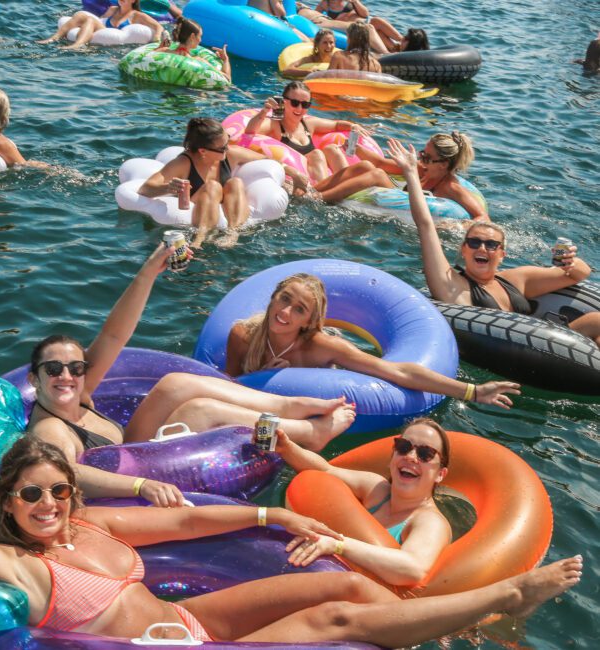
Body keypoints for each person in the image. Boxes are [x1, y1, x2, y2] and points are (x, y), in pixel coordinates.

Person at [0, 435, 584, 646]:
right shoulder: (17, 565)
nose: (47, 505)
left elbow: (186, 522)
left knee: (347, 583)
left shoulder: (90, 524)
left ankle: (453, 631)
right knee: (336, 618)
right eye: (31, 494)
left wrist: (270, 519)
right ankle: (505, 597)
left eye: (57, 491)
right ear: (8, 500)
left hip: (185, 619)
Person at [27, 243, 358, 504]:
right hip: (139, 473)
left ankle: (291, 407)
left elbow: (114, 335)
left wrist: (147, 273)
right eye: (54, 369)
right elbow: (63, 475)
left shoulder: (78, 393)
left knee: (175, 384)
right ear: (34, 379)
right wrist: (141, 487)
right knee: (201, 410)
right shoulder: (51, 428)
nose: (67, 375)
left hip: (132, 448)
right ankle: (307, 432)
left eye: (76, 367)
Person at [225, 272, 522, 438]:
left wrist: (472, 391)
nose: (285, 312)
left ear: (309, 321)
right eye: (284, 299)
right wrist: (262, 375)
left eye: (299, 309)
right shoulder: (243, 335)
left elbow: (397, 372)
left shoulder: (321, 346)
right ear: (274, 296)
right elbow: (225, 385)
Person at [385, 138, 600, 346]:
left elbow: (580, 273)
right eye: (474, 242)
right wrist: (411, 173)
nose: (482, 248)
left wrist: (571, 262)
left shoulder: (515, 279)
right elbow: (425, 225)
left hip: (556, 348)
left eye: (491, 245)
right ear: (463, 250)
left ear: (502, 254)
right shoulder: (454, 286)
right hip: (517, 350)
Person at [280, 418, 452, 585]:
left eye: (425, 454)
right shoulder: (376, 489)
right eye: (403, 447)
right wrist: (285, 447)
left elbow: (413, 569)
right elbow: (325, 470)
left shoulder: (430, 522)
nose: (411, 457)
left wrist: (338, 545)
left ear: (440, 474)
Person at [138, 118, 307, 247]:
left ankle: (232, 234)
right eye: (223, 147)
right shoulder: (183, 163)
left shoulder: (230, 155)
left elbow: (267, 159)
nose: (228, 148)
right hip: (200, 208)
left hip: (228, 209)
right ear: (203, 151)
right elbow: (146, 188)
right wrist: (168, 188)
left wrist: (295, 174)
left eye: (227, 142)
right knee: (213, 186)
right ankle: (199, 240)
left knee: (235, 182)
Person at [245, 80, 395, 197]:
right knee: (322, 155)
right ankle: (328, 193)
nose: (299, 109)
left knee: (335, 150)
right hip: (304, 184)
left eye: (305, 104)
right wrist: (264, 111)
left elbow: (336, 125)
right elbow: (250, 131)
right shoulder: (274, 125)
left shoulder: (309, 124)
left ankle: (349, 189)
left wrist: (352, 126)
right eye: (295, 103)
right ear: (284, 101)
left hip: (324, 181)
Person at [358, 131, 488, 220]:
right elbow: (380, 163)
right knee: (365, 166)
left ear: (443, 164)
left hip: (411, 218)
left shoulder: (451, 187)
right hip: (395, 196)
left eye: (426, 157)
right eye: (422, 154)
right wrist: (357, 148)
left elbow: (483, 217)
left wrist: (458, 226)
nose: (421, 160)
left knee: (377, 175)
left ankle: (336, 199)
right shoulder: (422, 168)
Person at [37, 0, 164, 50]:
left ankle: (77, 45)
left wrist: (157, 39)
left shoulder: (137, 15)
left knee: (90, 21)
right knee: (82, 16)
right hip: (104, 32)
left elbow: (158, 26)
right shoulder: (113, 9)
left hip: (115, 41)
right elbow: (100, 21)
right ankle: (53, 38)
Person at [154, 17, 231, 82]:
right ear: (192, 36)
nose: (200, 40)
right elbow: (226, 78)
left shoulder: (163, 51)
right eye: (200, 36)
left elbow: (145, 57)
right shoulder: (199, 61)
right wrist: (225, 60)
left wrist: (160, 47)